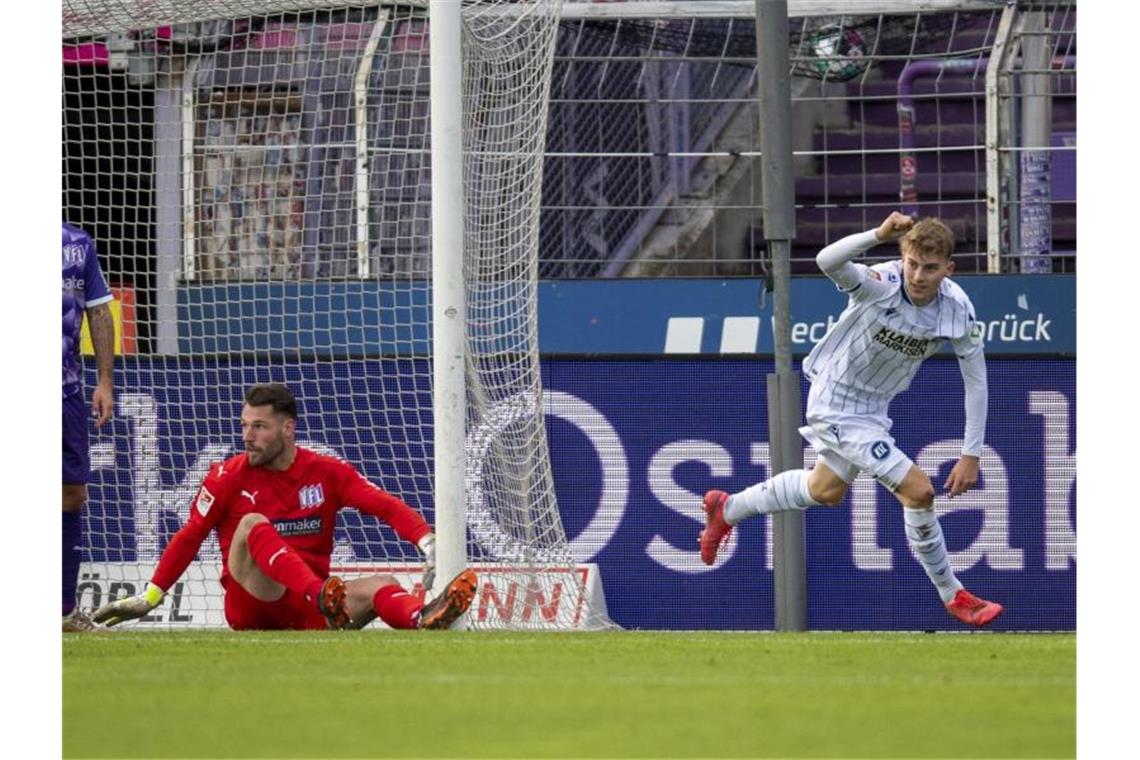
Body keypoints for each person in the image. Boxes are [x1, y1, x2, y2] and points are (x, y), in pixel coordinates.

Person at [700, 212, 1003, 628]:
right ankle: (954, 596)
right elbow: (827, 260)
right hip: (834, 401)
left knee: (824, 490)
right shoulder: (881, 283)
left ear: (948, 269)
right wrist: (878, 234)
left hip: (874, 411)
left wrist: (972, 454)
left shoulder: (957, 311)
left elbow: (977, 383)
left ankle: (727, 508)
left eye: (930, 268)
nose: (918, 275)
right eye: (912, 263)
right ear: (902, 256)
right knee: (918, 491)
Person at [93, 383, 477, 631]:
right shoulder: (227, 476)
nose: (247, 437)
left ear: (287, 429)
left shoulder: (325, 472)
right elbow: (191, 535)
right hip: (255, 604)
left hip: (311, 611)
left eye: (259, 427)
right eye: (245, 425)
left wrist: (427, 543)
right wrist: (150, 597)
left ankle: (422, 619)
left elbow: (384, 506)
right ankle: (321, 596)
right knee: (252, 524)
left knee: (385, 585)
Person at [62, 223, 116, 632]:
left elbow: (98, 308)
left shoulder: (76, 244)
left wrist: (105, 381)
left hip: (65, 394)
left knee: (72, 494)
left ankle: (62, 611)